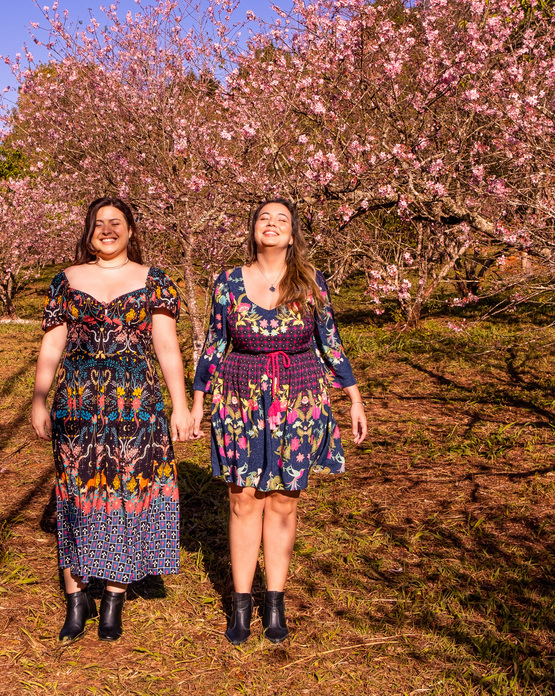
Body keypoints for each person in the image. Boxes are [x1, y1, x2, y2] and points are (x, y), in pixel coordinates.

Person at [190, 197, 367, 645]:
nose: (272, 224)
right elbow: (214, 343)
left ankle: (275, 603)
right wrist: (196, 401)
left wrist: (354, 398)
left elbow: (331, 342)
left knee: (285, 498)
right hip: (240, 396)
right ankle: (241, 605)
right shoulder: (227, 283)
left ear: (292, 234)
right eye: (264, 218)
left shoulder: (310, 282)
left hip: (300, 395)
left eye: (281, 219)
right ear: (253, 230)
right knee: (244, 498)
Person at [31, 196, 195, 643]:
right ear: (88, 231)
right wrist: (39, 398)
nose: (107, 229)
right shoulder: (66, 281)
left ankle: (113, 602)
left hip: (136, 403)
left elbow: (167, 348)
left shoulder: (154, 280)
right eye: (99, 223)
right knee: (76, 493)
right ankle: (76, 598)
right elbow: (52, 346)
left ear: (130, 230)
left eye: (116, 222)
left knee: (128, 490)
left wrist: (179, 405)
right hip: (78, 403)